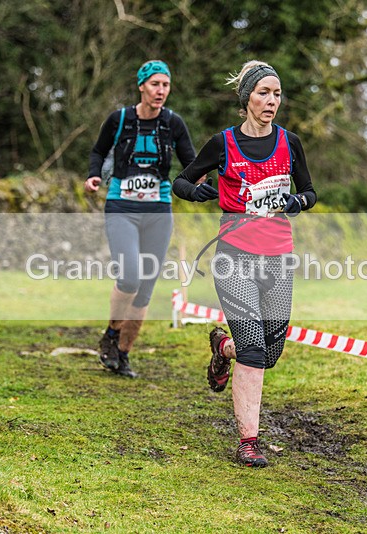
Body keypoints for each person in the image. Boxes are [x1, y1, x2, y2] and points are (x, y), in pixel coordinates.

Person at [172, 60, 316, 467]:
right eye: (263, 93)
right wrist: (197, 193)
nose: (271, 101)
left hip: (279, 258)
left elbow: (310, 192)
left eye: (277, 94)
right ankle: (248, 442)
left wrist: (296, 201)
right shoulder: (223, 143)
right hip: (234, 257)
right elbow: (181, 181)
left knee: (269, 352)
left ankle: (223, 347)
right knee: (254, 352)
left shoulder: (290, 143)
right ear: (246, 98)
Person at [86, 60, 196, 377]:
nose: (160, 91)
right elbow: (98, 151)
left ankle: (122, 354)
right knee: (130, 278)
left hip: (158, 212)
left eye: (165, 85)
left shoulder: (173, 123)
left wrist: (200, 180)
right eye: (155, 84)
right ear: (142, 86)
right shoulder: (119, 119)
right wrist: (94, 175)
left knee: (145, 288)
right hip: (122, 208)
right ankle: (111, 332)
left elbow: (190, 162)